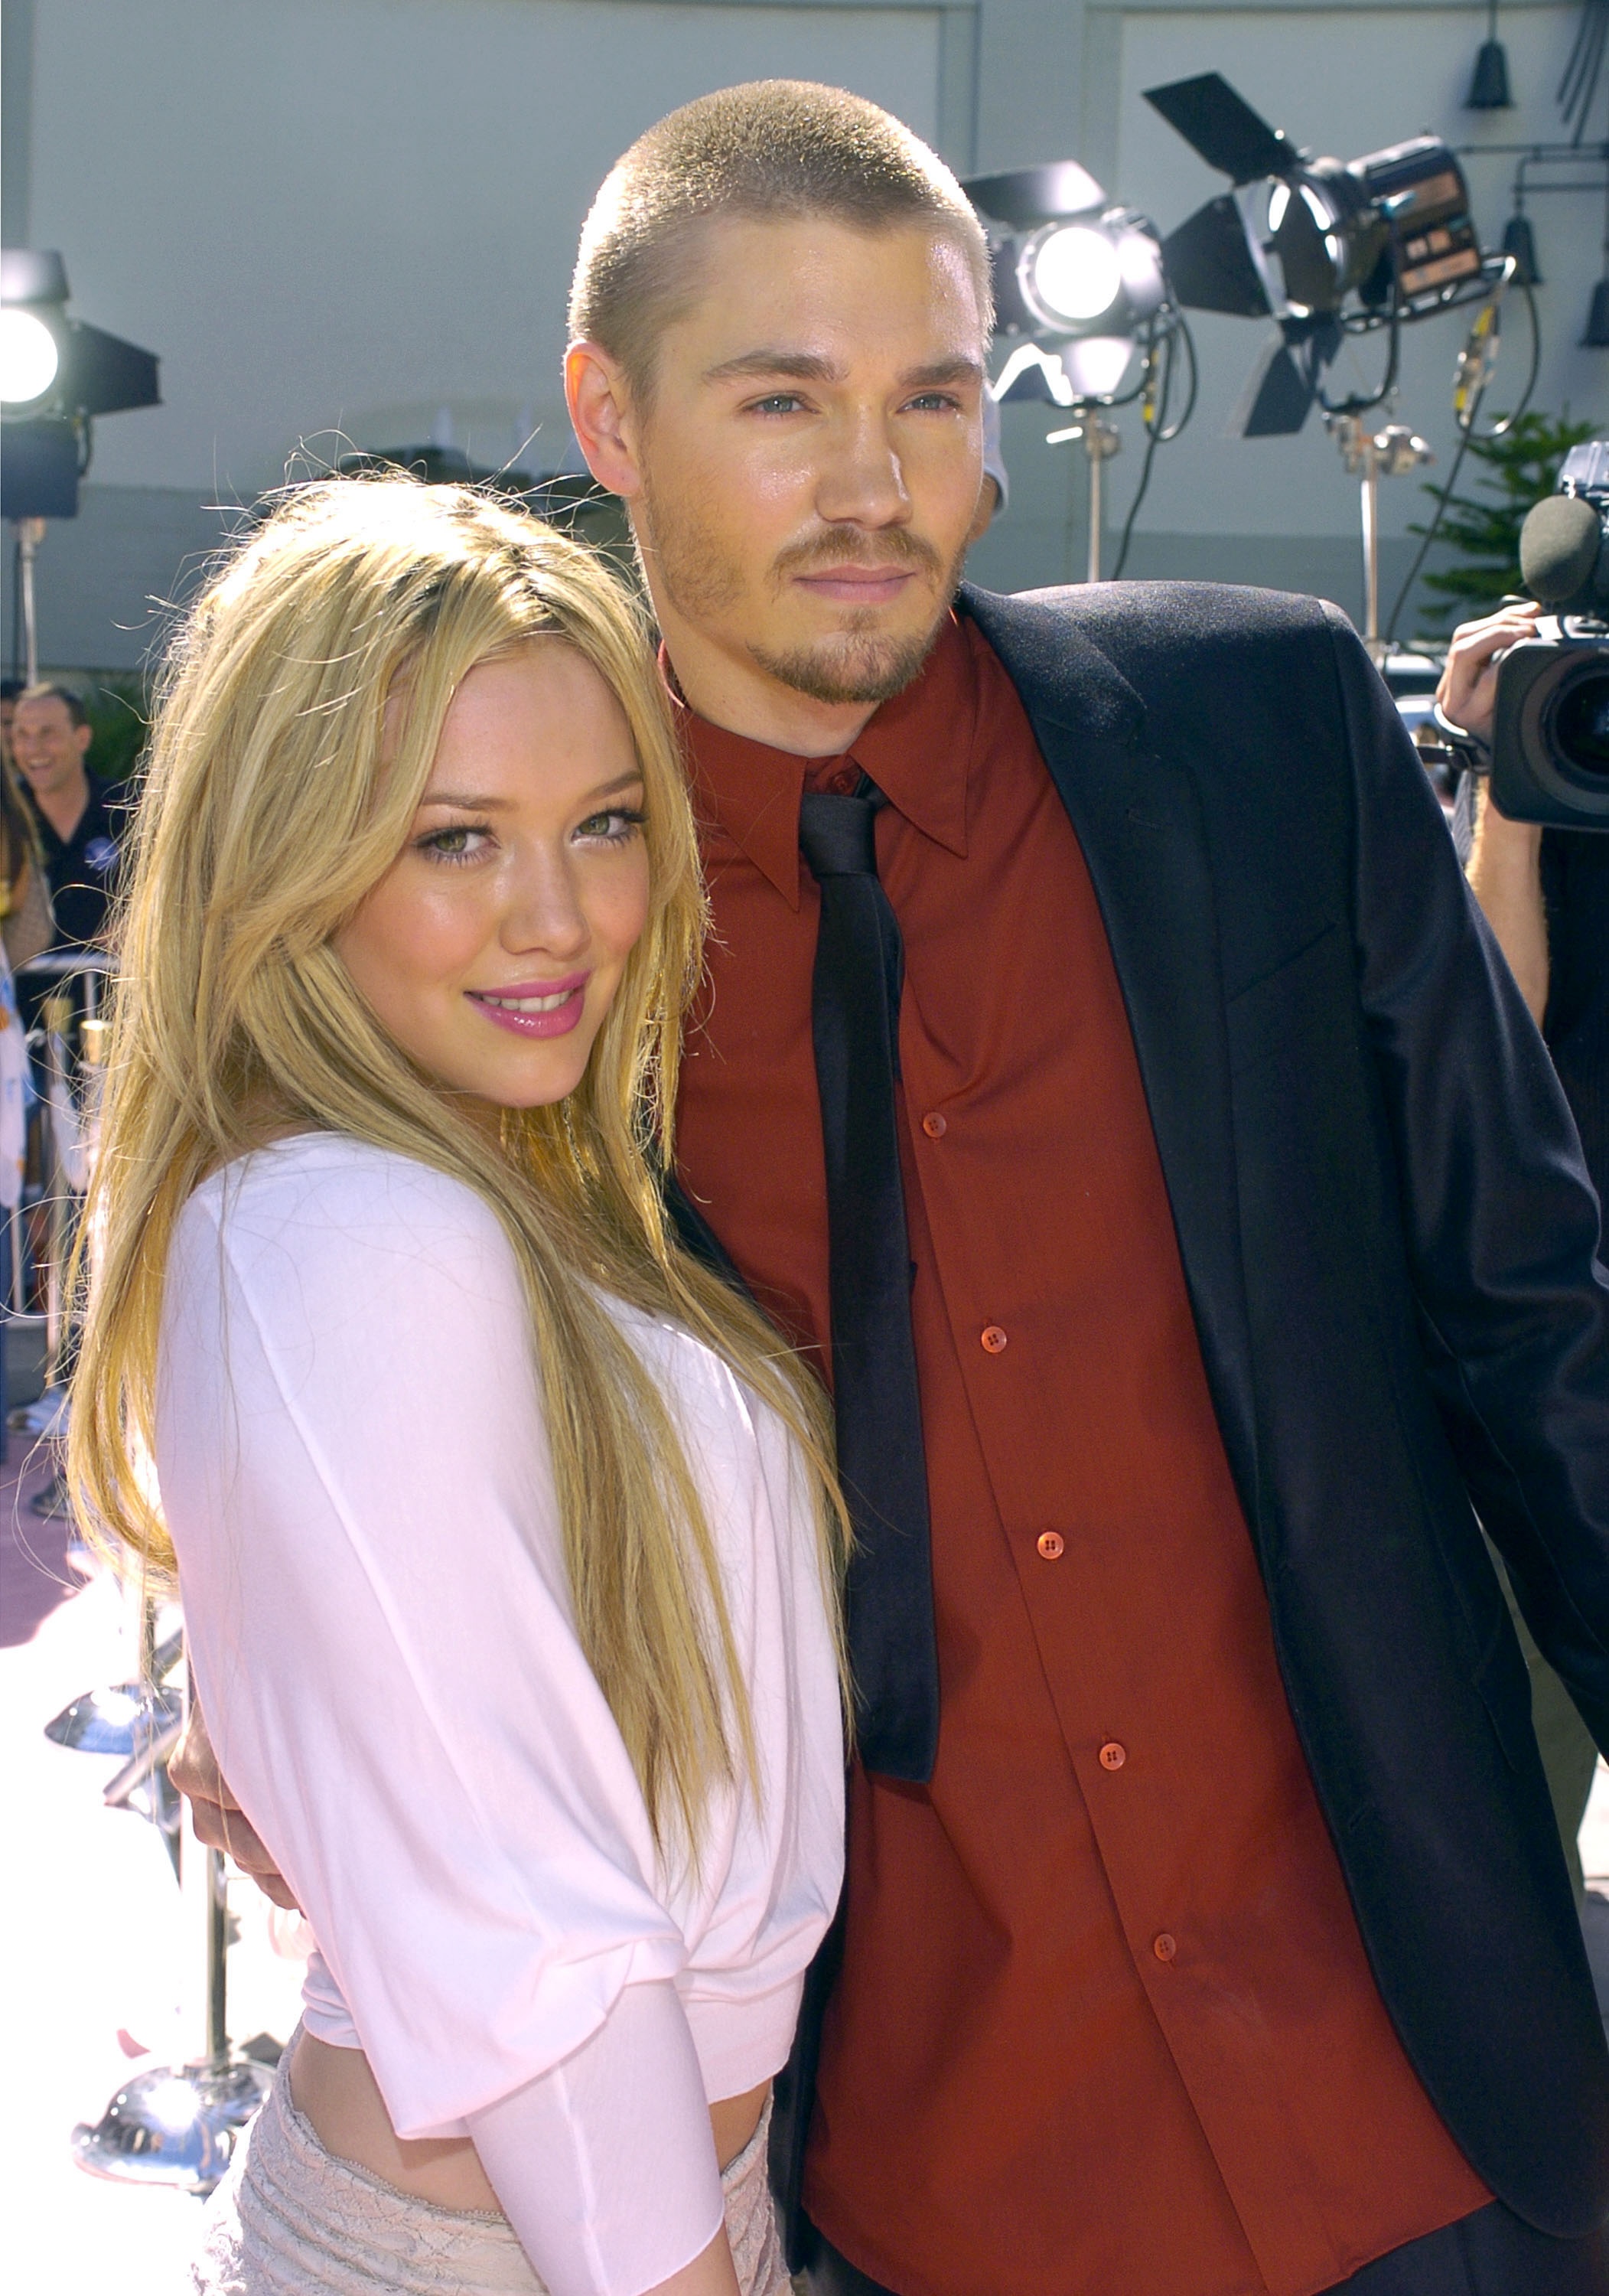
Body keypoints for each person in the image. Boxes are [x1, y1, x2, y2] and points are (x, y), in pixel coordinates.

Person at [179, 81, 1609, 2296]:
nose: (875, 484)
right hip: (903, 2175)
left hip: (1416, 2103)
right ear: (612, 414)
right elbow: (364, 1387)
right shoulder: (521, 961)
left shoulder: (1254, 733)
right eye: (781, 400)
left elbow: (1533, 1319)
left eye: (932, 394)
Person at [71, 475, 848, 2296]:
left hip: (588, 2220)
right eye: (451, 839)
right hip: (532, 2245)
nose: (555, 916)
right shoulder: (350, 1221)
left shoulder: (475, 1197)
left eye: (598, 824)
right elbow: (532, 1932)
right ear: (289, 859)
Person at [1438, 598, 1609, 1910]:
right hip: (1561, 1308)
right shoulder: (1556, 743)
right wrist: (1509, 766)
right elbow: (1497, 1014)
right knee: (1531, 1699)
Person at [9, 680, 124, 948]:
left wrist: (144, 923)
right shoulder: (7, 818)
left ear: (82, 738)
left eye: (48, 734)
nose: (34, 749)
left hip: (109, 986)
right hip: (28, 989)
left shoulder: (130, 809)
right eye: (22, 736)